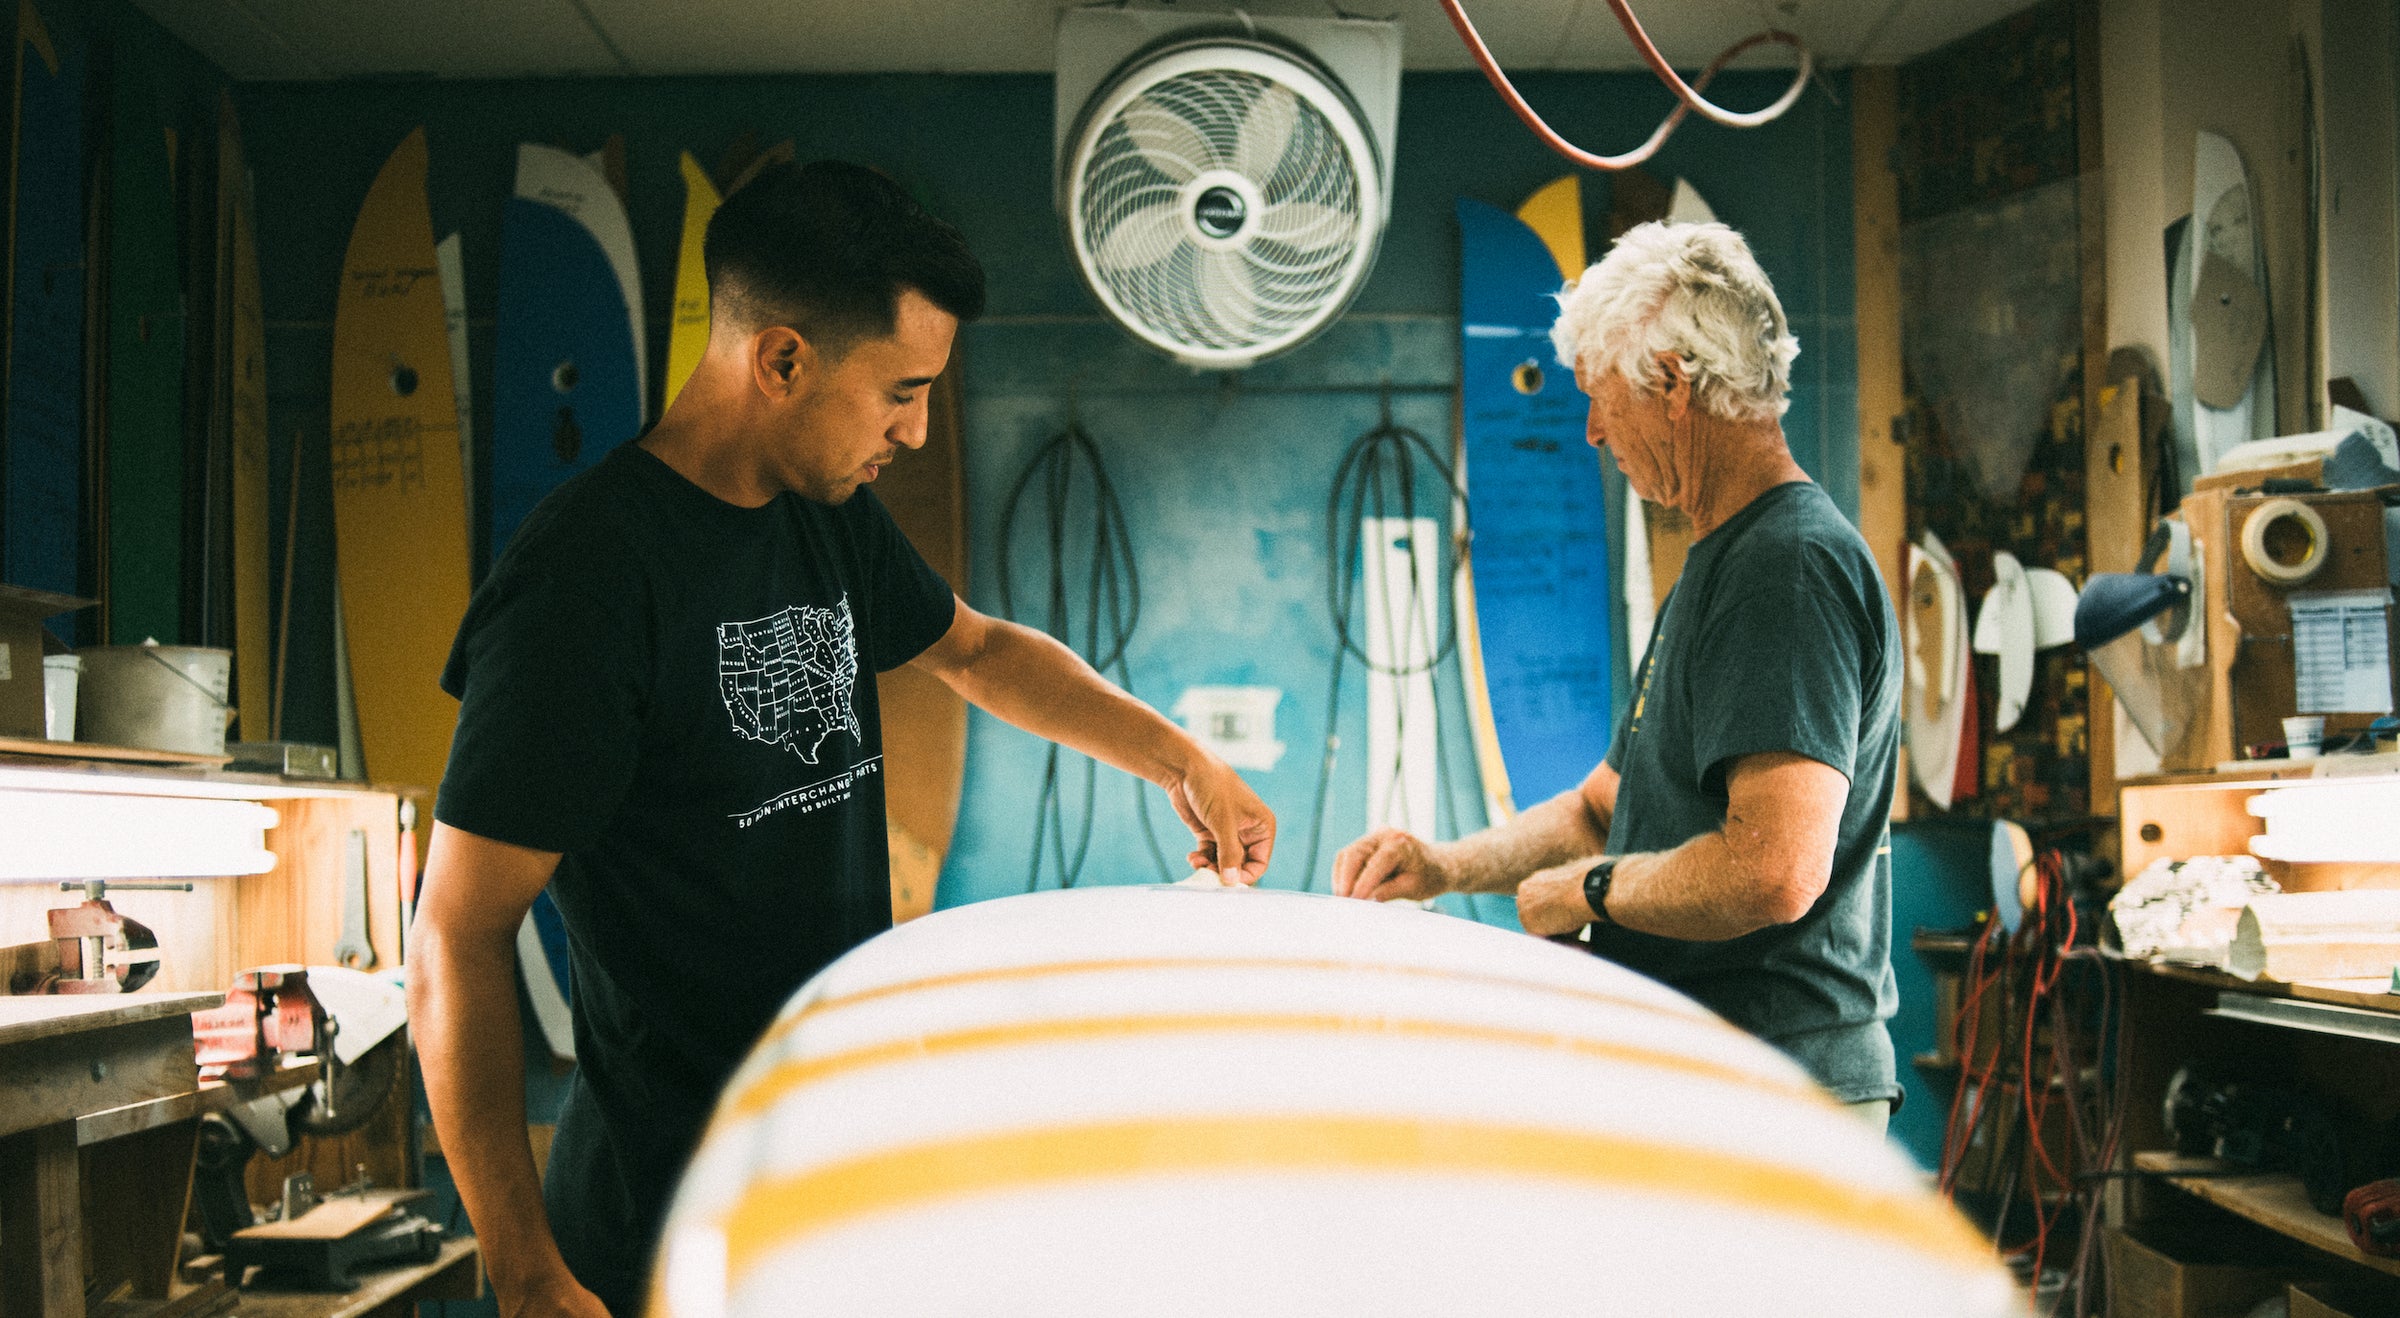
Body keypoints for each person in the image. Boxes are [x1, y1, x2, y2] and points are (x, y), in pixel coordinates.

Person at [409, 160, 1277, 1318]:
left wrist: (1186, 760)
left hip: (817, 1173)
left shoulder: (822, 518)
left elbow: (975, 651)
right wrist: (523, 1272)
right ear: (781, 360)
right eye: (901, 392)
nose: (916, 433)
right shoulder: (585, 587)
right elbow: (457, 936)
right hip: (662, 1218)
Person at [1333, 220, 1900, 1126]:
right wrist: (1439, 865)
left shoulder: (1785, 569)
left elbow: (1776, 869)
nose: (1593, 432)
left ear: (1673, 384)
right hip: (1718, 1078)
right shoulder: (1724, 563)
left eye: (1600, 398)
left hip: (1777, 1091)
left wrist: (1593, 891)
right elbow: (1604, 809)